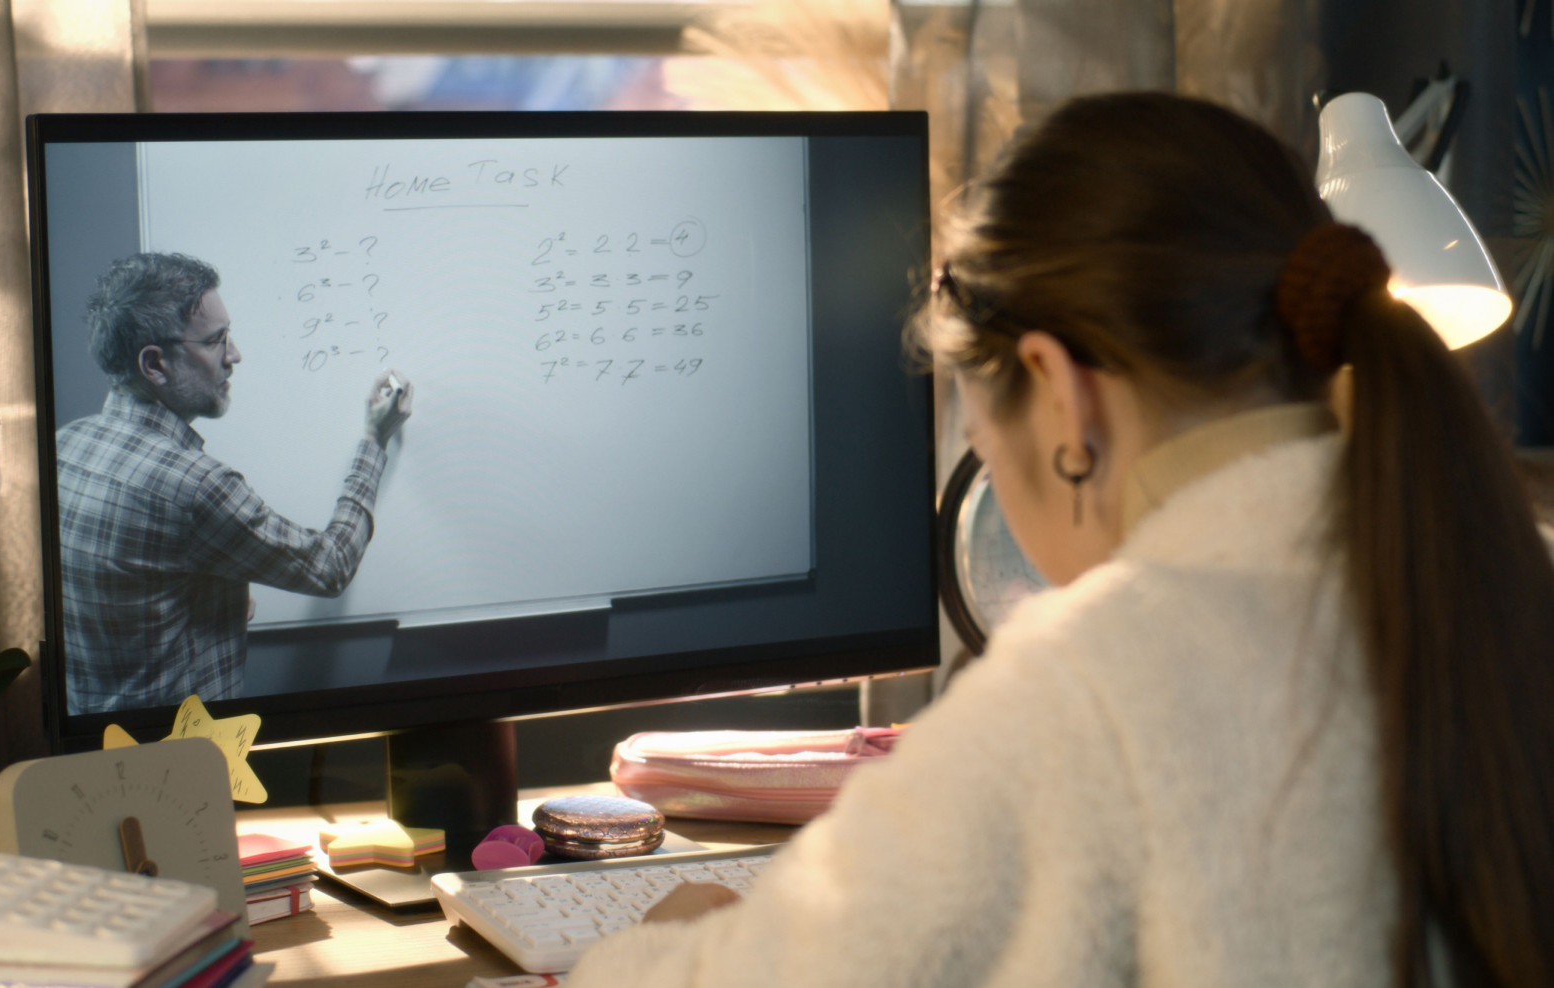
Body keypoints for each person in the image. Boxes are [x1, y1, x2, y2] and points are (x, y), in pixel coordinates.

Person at [571, 93, 1554, 986]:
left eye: (984, 441)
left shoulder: (1091, 686)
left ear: (1060, 391)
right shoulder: (1498, 575)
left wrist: (652, 949)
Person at [58, 252, 414, 714]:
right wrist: (373, 440)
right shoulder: (195, 485)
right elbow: (330, 566)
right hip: (182, 767)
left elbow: (126, 599)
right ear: (155, 365)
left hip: (100, 756)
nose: (234, 355)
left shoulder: (66, 445)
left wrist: (213, 596)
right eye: (215, 340)